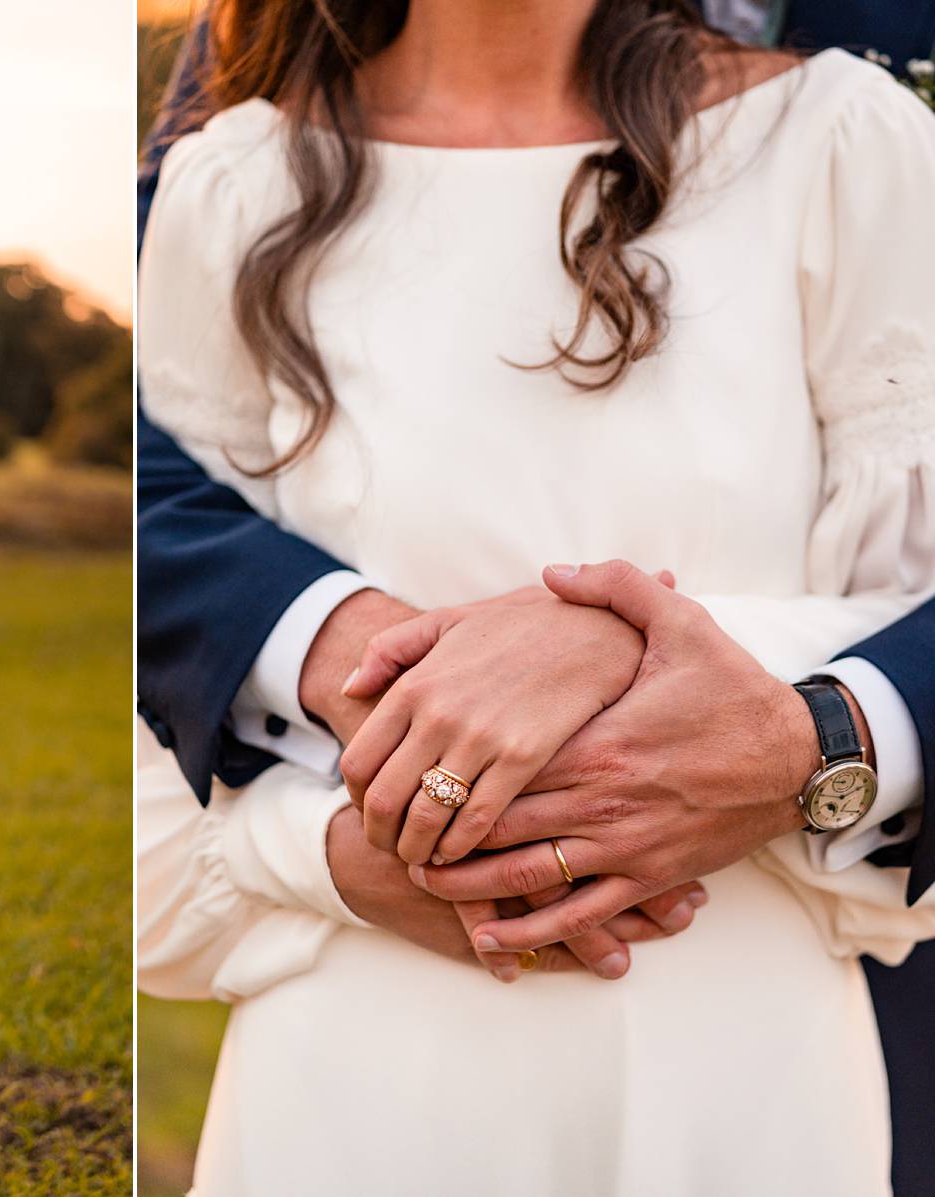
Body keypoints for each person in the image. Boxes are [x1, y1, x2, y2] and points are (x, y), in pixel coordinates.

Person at [135, 1, 935, 1192]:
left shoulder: (839, 140)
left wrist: (608, 657)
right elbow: (162, 663)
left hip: (743, 1056)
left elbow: (913, 593)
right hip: (356, 1055)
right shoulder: (233, 183)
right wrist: (327, 854)